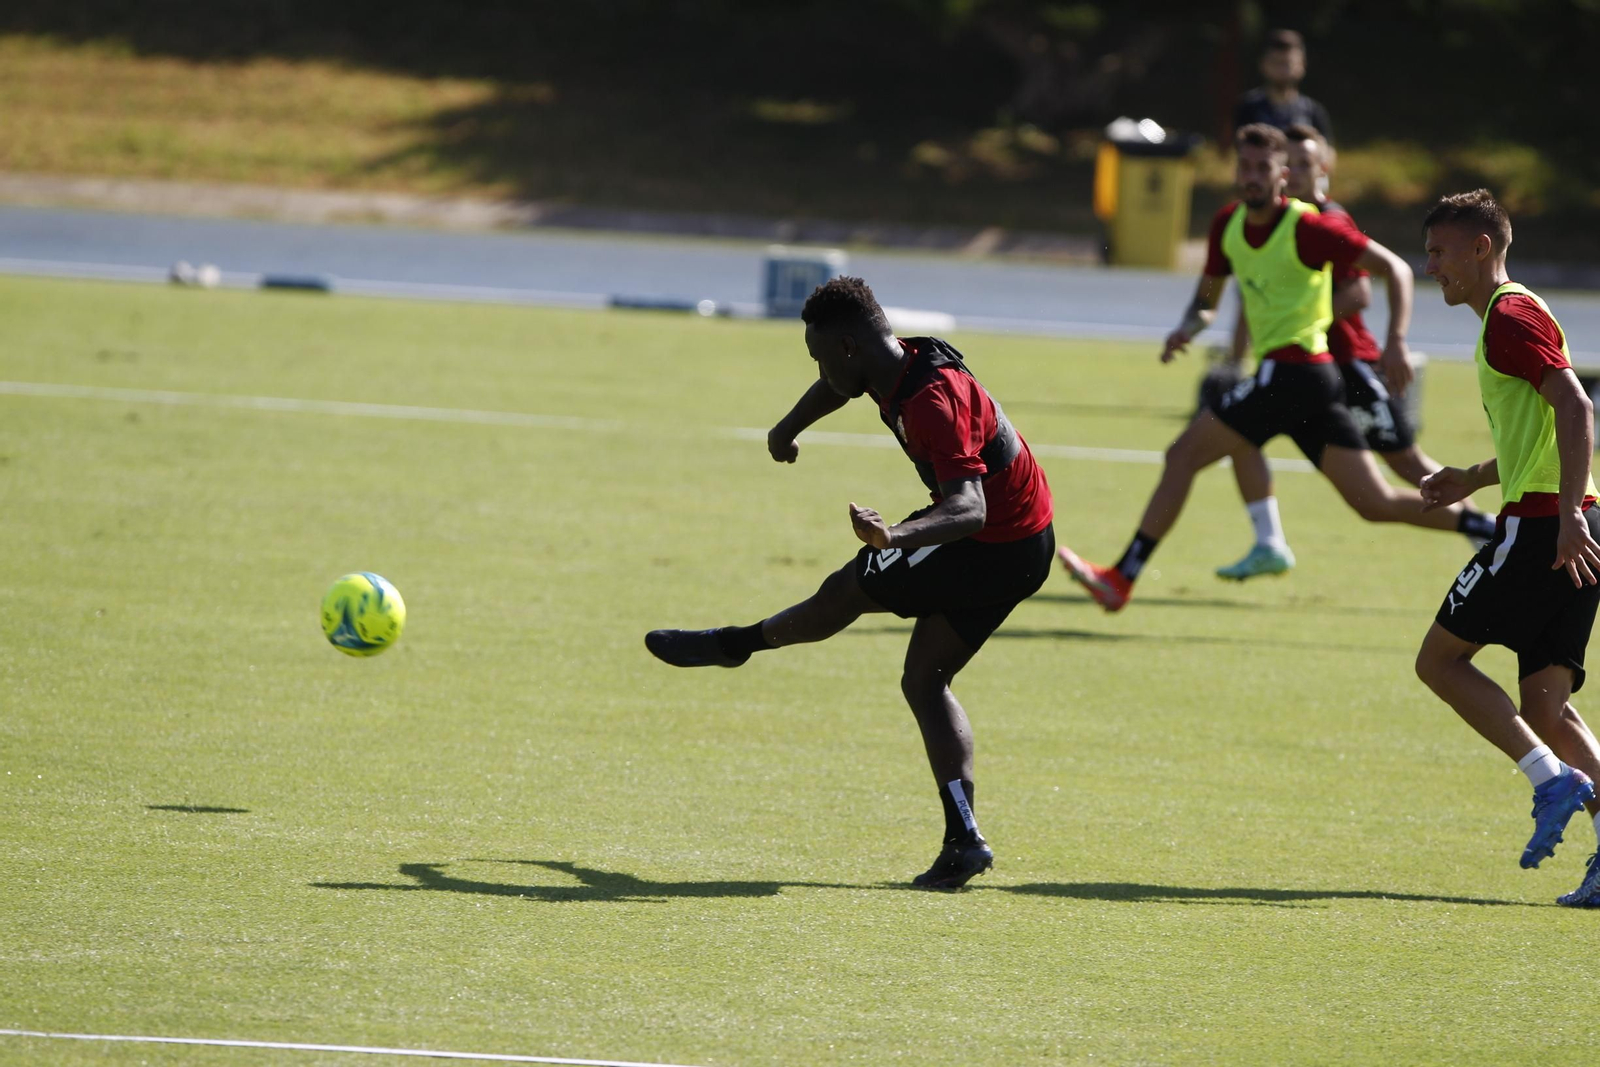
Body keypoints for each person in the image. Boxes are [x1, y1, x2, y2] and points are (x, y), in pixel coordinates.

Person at [644, 276, 1056, 890]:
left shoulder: (930, 400)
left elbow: (969, 509)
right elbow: (839, 386)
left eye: (817, 354)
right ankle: (964, 839)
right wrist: (787, 428)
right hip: (1027, 542)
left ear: (846, 347)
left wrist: (893, 538)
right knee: (924, 678)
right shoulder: (892, 361)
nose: (816, 366)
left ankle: (736, 646)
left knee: (848, 589)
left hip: (988, 542)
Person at [1056, 124, 1494, 613]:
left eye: (1262, 168)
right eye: (1243, 167)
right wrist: (1188, 327)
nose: (1251, 177)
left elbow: (1391, 268)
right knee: (1373, 503)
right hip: (1307, 384)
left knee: (1182, 455)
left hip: (1295, 374)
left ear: (1281, 174)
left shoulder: (1309, 226)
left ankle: (1123, 576)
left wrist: (1394, 341)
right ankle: (1492, 529)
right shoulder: (1227, 223)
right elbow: (1207, 297)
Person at [1413, 190, 1600, 904]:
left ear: (1481, 248)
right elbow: (1544, 428)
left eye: (1439, 252)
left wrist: (1563, 517)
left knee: (1438, 661)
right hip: (1574, 519)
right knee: (1548, 707)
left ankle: (1550, 781)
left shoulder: (1508, 317)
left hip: (1542, 528)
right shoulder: (1519, 310)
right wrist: (1474, 474)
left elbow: (1576, 405)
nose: (1431, 267)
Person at [1215, 124, 1491, 580]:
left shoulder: (1326, 220)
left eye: (1306, 164)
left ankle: (1486, 530)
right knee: (1245, 437)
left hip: (1350, 365)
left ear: (1322, 168)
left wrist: (1300, 325)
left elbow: (1360, 293)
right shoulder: (1275, 220)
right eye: (1293, 163)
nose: (1297, 172)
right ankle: (1268, 541)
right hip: (1307, 368)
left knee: (1407, 463)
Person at [1232, 29, 1333, 146]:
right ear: (1263, 64)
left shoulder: (1313, 111)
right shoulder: (1247, 108)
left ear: (1302, 66)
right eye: (1276, 63)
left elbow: (1327, 154)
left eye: (1287, 63)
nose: (1282, 70)